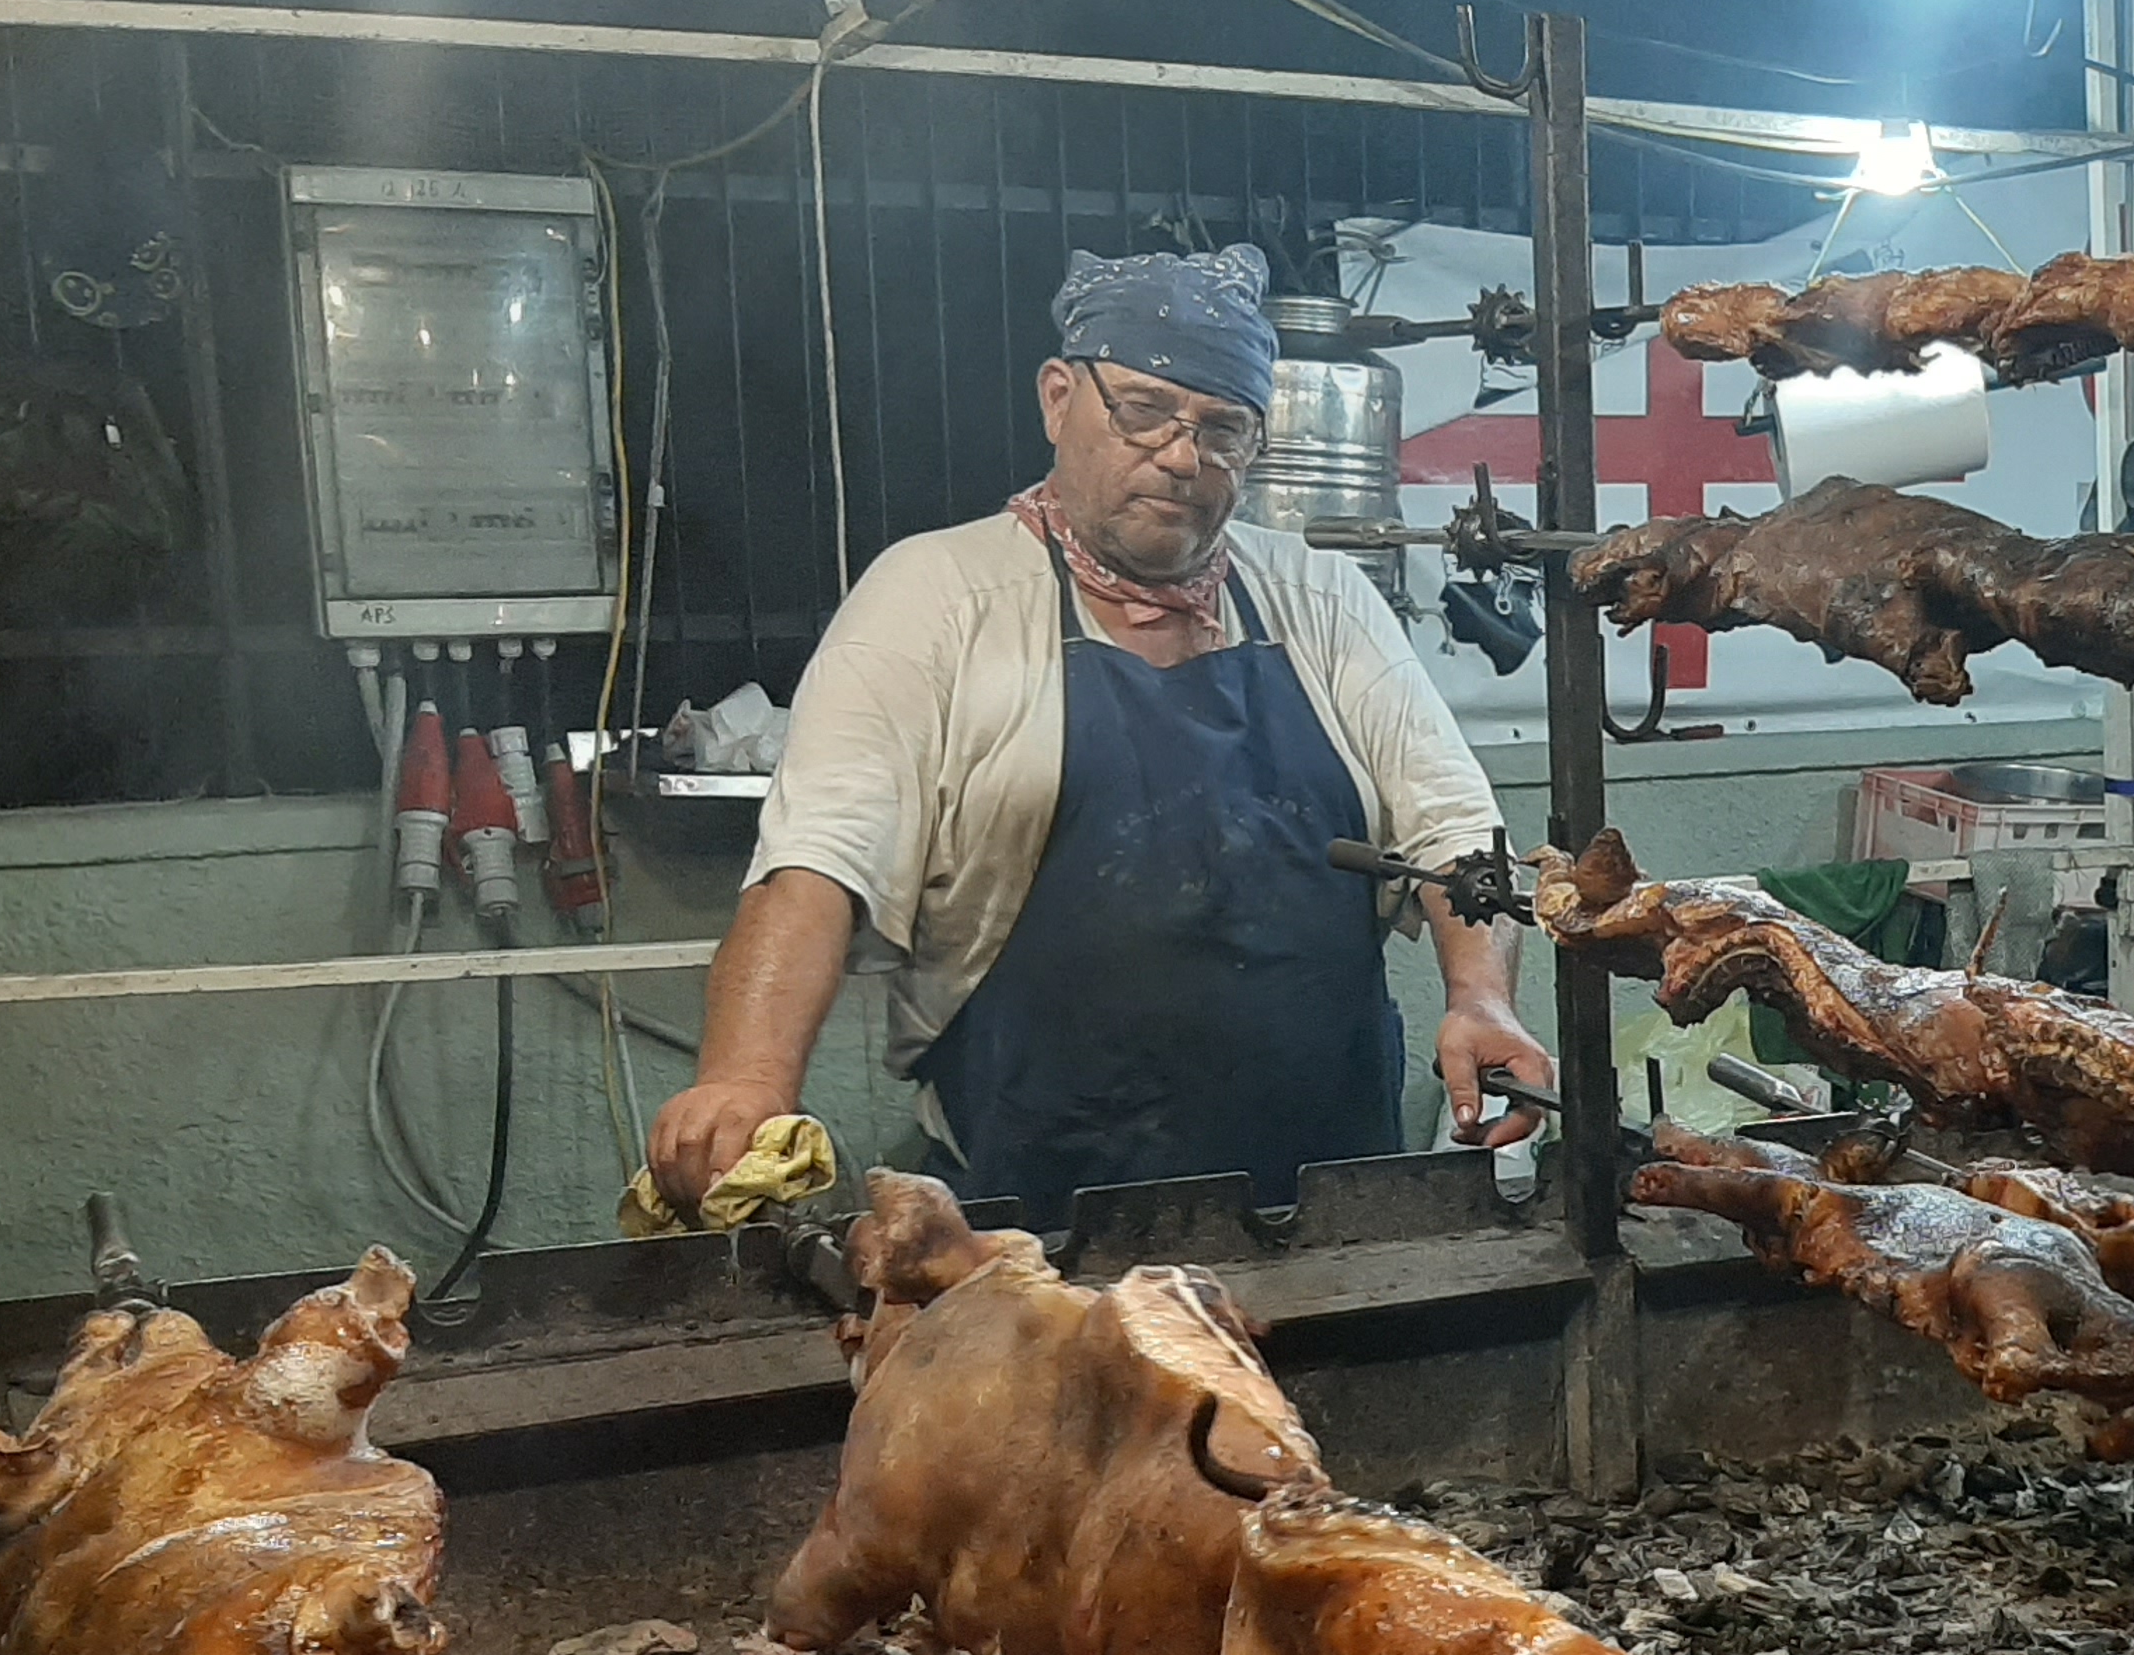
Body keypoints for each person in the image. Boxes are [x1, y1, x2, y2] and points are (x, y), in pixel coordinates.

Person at [643, 245, 1554, 1224]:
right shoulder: (937, 600)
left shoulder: (1319, 597)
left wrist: (1482, 997)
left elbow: (1460, 836)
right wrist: (746, 1079)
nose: (1180, 456)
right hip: (1036, 1235)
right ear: (1057, 399)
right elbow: (816, 866)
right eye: (1143, 412)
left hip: (1329, 1216)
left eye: (1222, 429)